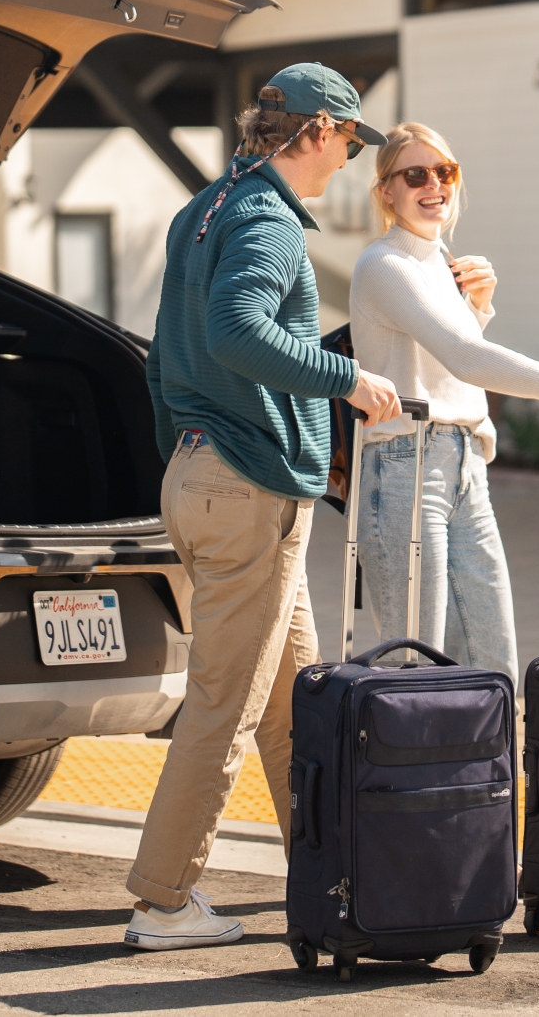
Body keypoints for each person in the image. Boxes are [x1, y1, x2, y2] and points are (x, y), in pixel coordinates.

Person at [122, 64, 401, 952]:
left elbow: (172, 352)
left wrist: (192, 440)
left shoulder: (201, 209)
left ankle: (326, 872)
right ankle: (163, 899)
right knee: (227, 704)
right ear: (316, 130)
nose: (351, 159)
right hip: (247, 492)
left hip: (204, 474)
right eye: (351, 141)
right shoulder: (269, 221)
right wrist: (348, 377)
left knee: (292, 702)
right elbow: (239, 332)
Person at [348, 123, 539, 685]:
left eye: (445, 172)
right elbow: (465, 360)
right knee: (417, 666)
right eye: (415, 174)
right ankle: (420, 776)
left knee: (492, 655)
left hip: (466, 468)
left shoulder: (440, 263)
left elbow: (448, 360)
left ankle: (493, 776)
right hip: (405, 465)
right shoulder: (384, 264)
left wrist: (479, 304)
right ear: (387, 191)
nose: (435, 185)